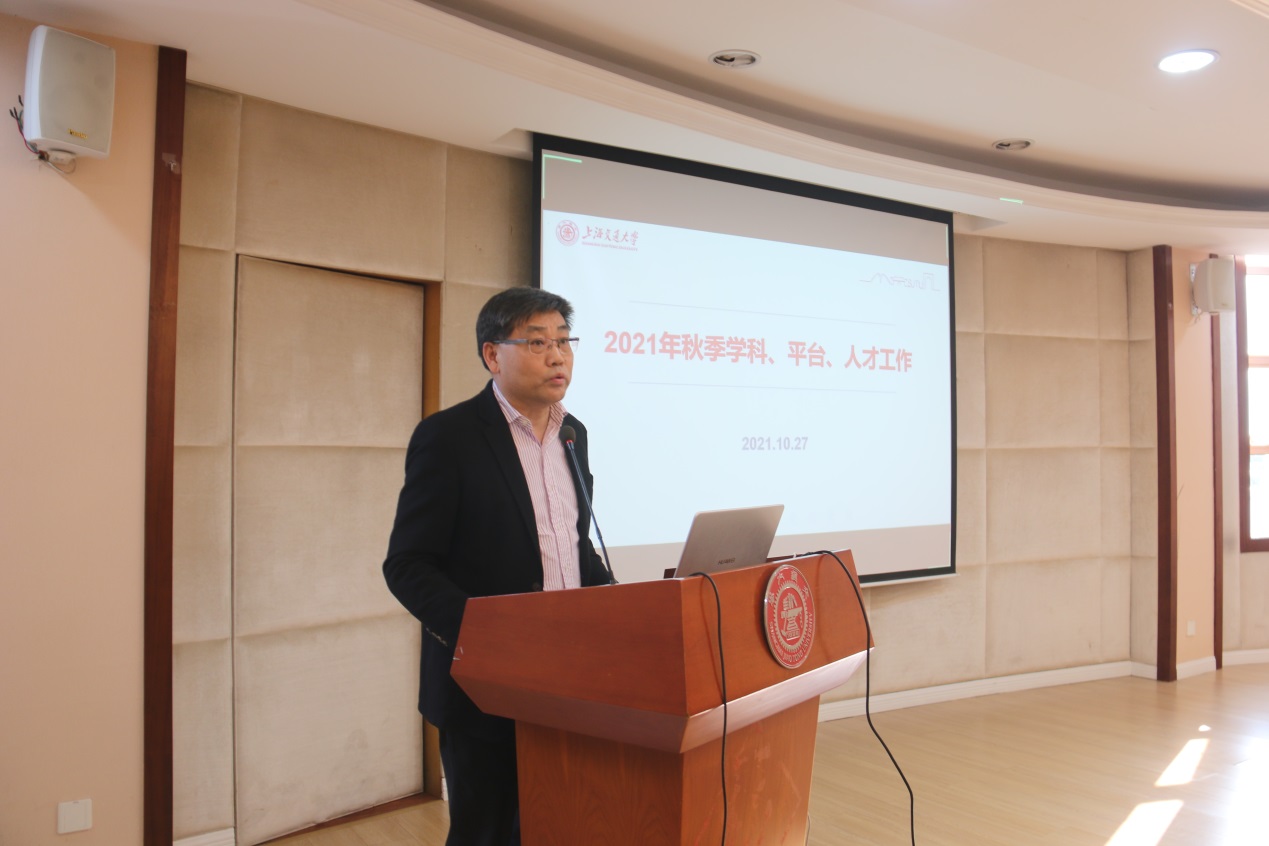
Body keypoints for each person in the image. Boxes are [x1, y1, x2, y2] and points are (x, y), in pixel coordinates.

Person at [383, 287, 610, 846]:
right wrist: (485, 635)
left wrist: (620, 603)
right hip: (487, 683)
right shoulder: (449, 437)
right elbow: (408, 564)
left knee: (562, 823)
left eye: (564, 342)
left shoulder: (574, 434)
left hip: (571, 674)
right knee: (487, 833)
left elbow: (570, 544)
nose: (556, 356)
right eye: (537, 343)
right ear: (492, 355)